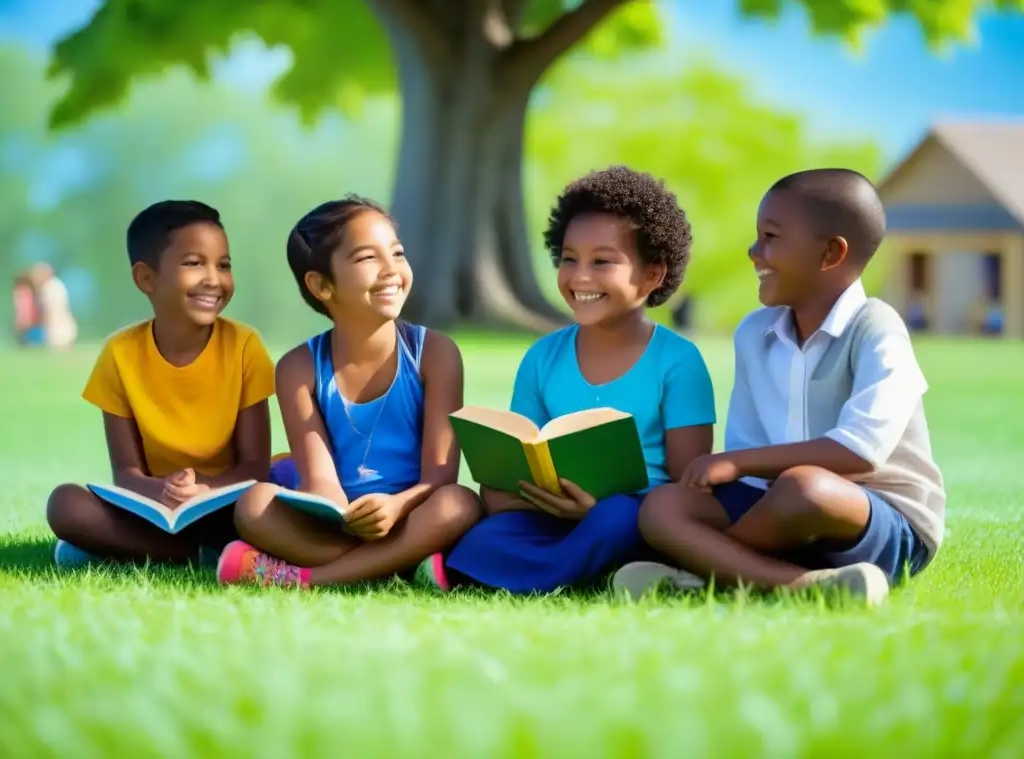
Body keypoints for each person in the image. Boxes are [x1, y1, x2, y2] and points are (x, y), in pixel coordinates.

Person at [618, 168, 945, 607]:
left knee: (805, 488)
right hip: (775, 508)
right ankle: (803, 586)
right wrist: (738, 468)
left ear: (830, 253)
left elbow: (860, 452)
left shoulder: (876, 328)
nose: (755, 252)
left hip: (876, 518)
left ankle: (704, 573)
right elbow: (752, 464)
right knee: (663, 507)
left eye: (771, 236)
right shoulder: (754, 333)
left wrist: (735, 462)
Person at [435, 165, 717, 595]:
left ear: (653, 274)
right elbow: (523, 450)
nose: (580, 277)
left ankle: (516, 575)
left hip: (632, 515)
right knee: (489, 525)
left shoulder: (678, 360)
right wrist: (513, 489)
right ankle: (589, 573)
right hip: (546, 512)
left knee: (617, 520)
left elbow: (686, 481)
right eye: (569, 259)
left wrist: (596, 506)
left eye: (602, 261)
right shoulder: (542, 357)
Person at [216, 196, 480, 589]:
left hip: (413, 513)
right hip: (339, 526)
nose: (391, 270)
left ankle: (304, 579)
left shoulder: (436, 354)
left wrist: (395, 506)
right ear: (321, 285)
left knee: (459, 504)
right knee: (252, 506)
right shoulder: (298, 368)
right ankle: (405, 565)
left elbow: (440, 475)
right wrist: (347, 516)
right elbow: (318, 477)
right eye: (366, 258)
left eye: (397, 253)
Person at [46, 201, 276, 568]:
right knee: (65, 503)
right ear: (146, 278)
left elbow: (254, 467)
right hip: (155, 508)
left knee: (264, 503)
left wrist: (205, 489)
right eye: (193, 263)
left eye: (224, 264)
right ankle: (197, 557)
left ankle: (123, 550)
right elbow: (125, 473)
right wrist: (166, 491)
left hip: (228, 505)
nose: (214, 279)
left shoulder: (245, 346)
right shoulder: (119, 354)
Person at [30, 262, 78, 349]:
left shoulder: (50, 288)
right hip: (62, 329)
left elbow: (50, 312)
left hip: (58, 331)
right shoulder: (55, 285)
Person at [12, 272, 42, 346]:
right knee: (27, 341)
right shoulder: (25, 292)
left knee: (26, 341)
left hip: (26, 320)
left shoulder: (20, 292)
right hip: (27, 319)